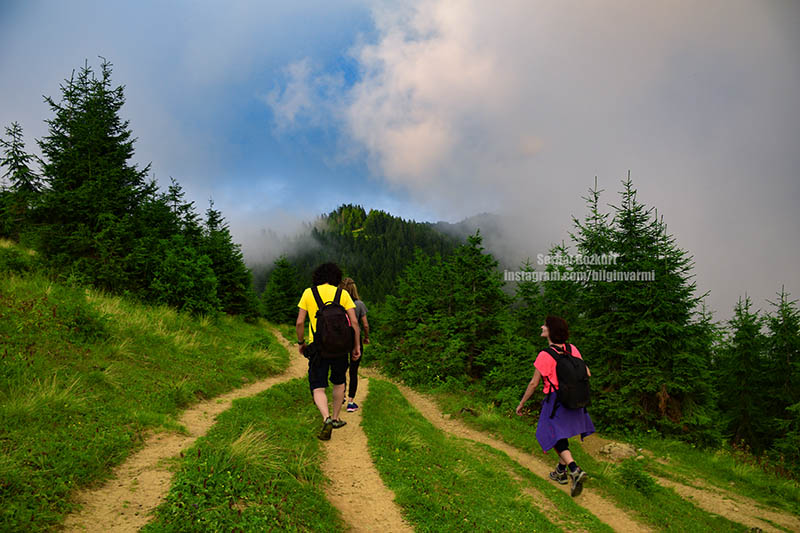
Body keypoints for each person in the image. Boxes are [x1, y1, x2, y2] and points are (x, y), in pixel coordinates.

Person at [516, 315, 595, 497]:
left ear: (550, 331)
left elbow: (533, 384)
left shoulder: (545, 355)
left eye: (545, 325)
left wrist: (521, 404)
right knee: (562, 435)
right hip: (575, 399)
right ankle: (560, 471)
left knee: (550, 433)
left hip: (556, 401)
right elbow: (587, 373)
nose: (542, 327)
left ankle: (574, 469)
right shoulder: (572, 348)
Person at [296, 263, 361, 441]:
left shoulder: (309, 293)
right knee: (339, 382)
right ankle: (336, 417)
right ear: (336, 278)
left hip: (318, 348)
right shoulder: (343, 294)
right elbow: (354, 323)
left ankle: (325, 418)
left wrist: (301, 343)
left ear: (317, 277)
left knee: (318, 386)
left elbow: (300, 322)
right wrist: (356, 346)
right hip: (340, 347)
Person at [339, 277, 369, 412]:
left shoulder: (338, 303)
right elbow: (365, 325)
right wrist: (366, 337)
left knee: (341, 368)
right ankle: (351, 402)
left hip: (340, 339)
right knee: (353, 371)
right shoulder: (360, 304)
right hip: (355, 338)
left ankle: (341, 396)